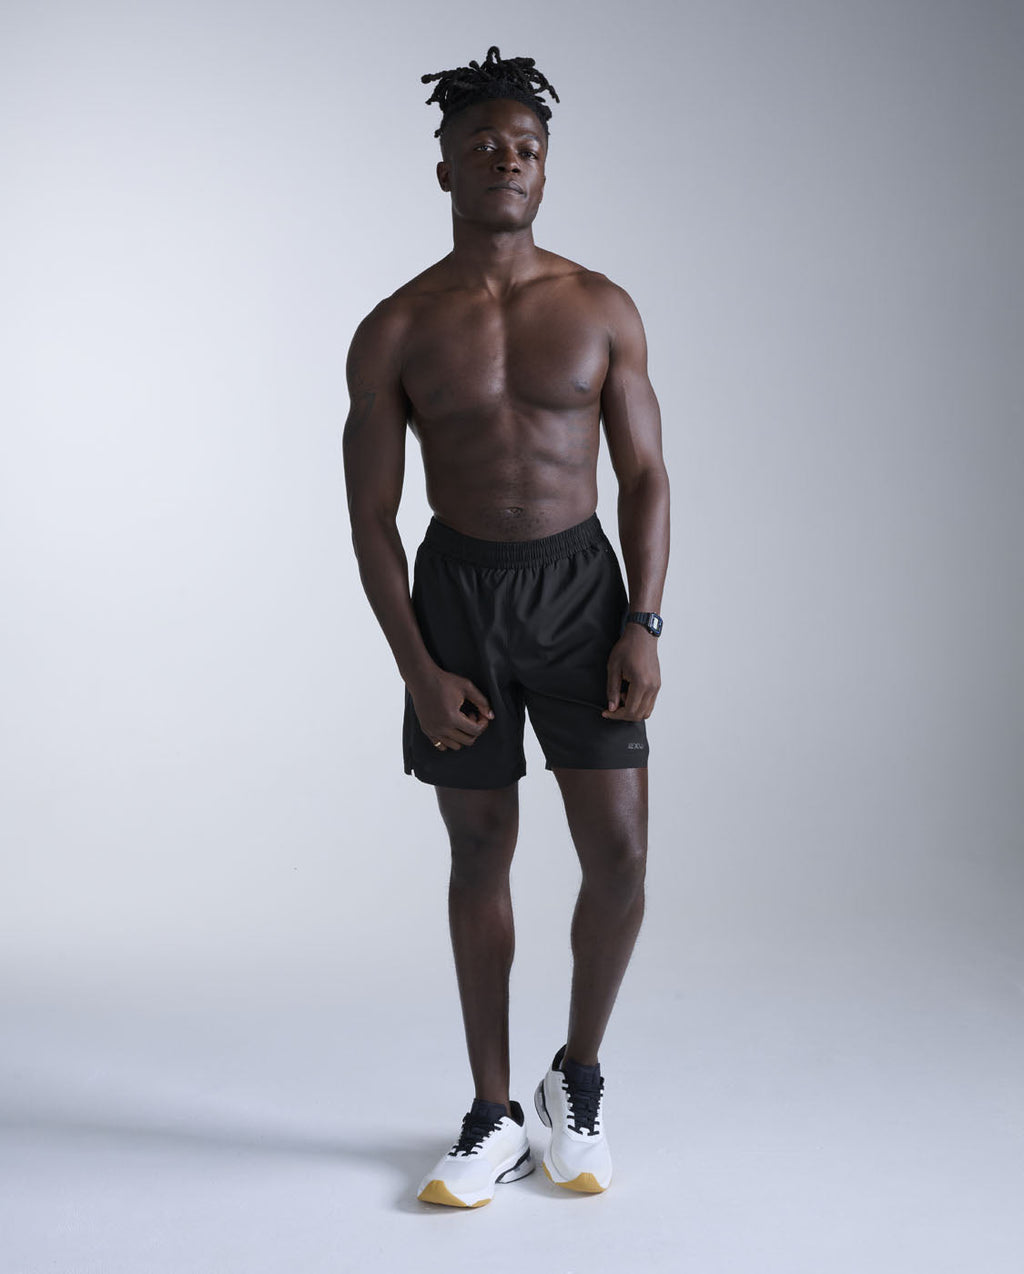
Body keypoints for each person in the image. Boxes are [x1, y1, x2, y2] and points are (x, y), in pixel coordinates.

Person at [342, 46, 670, 1208]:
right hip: (459, 596)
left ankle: (573, 1078)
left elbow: (645, 476)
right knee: (479, 850)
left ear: (545, 166)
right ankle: (491, 1112)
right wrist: (418, 667)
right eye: (483, 144)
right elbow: (371, 518)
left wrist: (643, 619)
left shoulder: (599, 306)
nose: (507, 159)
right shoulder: (396, 326)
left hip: (582, 592)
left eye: (526, 146)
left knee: (619, 855)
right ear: (444, 167)